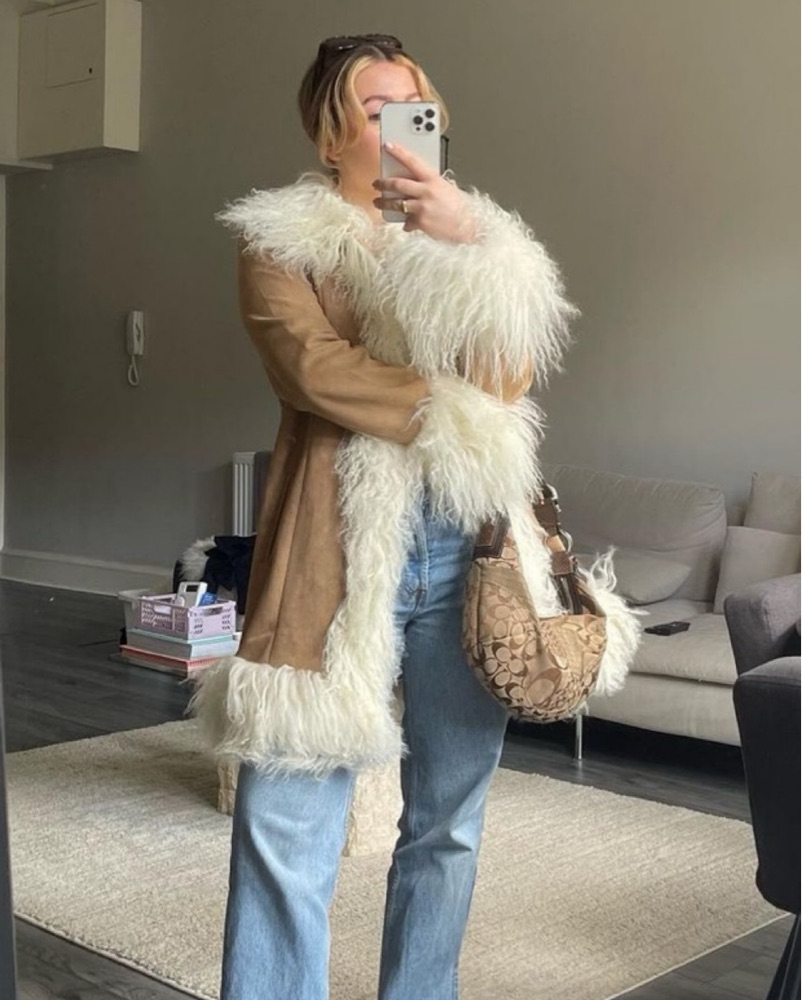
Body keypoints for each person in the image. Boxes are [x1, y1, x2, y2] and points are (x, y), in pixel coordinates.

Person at [191, 33, 628, 1000]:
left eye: (413, 107)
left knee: (448, 818)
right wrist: (456, 411)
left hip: (470, 546)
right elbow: (313, 371)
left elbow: (511, 375)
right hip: (333, 543)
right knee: (285, 815)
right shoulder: (281, 242)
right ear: (329, 133)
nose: (399, 127)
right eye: (374, 109)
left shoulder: (477, 242)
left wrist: (466, 247)